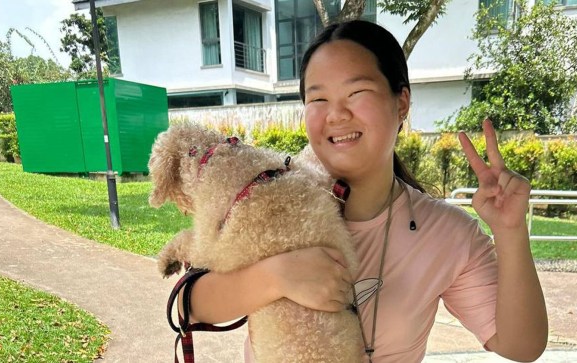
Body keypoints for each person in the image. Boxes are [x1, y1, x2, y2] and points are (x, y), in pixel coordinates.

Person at [182, 20, 548, 362]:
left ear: (401, 102)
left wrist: (510, 231)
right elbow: (187, 304)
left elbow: (521, 346)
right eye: (318, 99)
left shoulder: (447, 233)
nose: (336, 115)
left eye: (356, 92)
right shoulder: (267, 195)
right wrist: (276, 276)